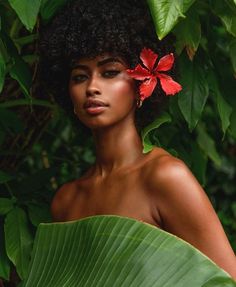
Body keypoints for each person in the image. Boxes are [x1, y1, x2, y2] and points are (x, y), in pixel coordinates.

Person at [38, 0, 236, 279]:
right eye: (80, 76)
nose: (92, 87)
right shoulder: (66, 201)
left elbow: (227, 281)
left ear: (141, 84)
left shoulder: (165, 177)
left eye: (110, 73)